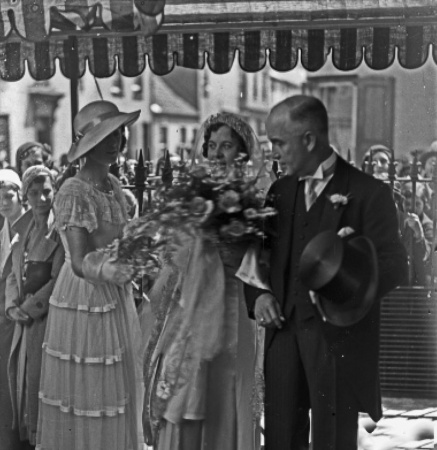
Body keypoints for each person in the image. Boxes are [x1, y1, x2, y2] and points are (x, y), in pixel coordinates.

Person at [244, 95, 408, 450]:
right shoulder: (279, 191)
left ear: (308, 139)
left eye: (279, 142)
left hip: (337, 341)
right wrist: (259, 296)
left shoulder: (368, 192)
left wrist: (353, 269)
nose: (274, 153)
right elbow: (258, 255)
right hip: (283, 336)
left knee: (333, 441)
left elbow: (396, 264)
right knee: (280, 438)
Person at [144, 112, 263, 450]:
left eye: (225, 146)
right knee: (191, 388)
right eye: (211, 145)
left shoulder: (251, 200)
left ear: (242, 153)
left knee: (228, 388)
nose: (216, 154)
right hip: (195, 304)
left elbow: (257, 260)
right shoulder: (196, 195)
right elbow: (172, 257)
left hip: (235, 306)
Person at [36, 101, 144, 450]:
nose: (115, 142)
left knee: (118, 386)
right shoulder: (71, 192)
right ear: (88, 144)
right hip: (84, 294)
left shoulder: (114, 184)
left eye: (118, 134)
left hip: (114, 293)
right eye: (105, 136)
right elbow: (80, 261)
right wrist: (117, 269)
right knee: (90, 388)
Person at [6, 166, 64, 448]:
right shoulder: (22, 230)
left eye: (46, 192)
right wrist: (11, 307)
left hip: (46, 320)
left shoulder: (60, 232)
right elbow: (12, 275)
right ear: (26, 195)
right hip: (22, 322)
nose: (41, 199)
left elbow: (59, 278)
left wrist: (30, 307)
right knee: (23, 381)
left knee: (42, 383)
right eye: (34, 193)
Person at [0, 170, 26, 450]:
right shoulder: (3, 231)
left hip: (22, 312)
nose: (3, 203)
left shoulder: (27, 229)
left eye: (8, 196)